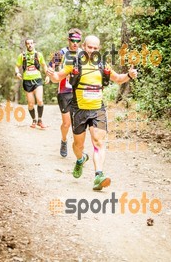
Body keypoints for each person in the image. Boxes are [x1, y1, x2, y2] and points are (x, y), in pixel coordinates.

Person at [47, 35, 137, 190]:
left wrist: (129, 75)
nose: (92, 50)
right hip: (79, 109)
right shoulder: (73, 62)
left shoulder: (103, 64)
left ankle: (98, 176)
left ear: (99, 49)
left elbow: (119, 79)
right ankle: (81, 159)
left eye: (96, 48)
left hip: (97, 109)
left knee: (98, 142)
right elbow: (58, 77)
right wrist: (52, 75)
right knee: (78, 145)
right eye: (90, 47)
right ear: (84, 46)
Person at [49, 28, 82, 157]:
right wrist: (50, 75)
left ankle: (79, 148)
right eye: (73, 40)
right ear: (69, 40)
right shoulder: (61, 53)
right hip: (64, 91)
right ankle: (64, 140)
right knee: (66, 123)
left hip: (78, 92)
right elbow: (51, 65)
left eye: (78, 41)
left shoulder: (83, 54)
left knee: (78, 123)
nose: (75, 43)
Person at [15, 38, 49, 129]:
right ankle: (34, 120)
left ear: (34, 44)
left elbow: (44, 65)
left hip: (38, 80)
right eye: (28, 43)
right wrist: (17, 73)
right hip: (27, 81)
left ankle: (40, 120)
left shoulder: (38, 55)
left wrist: (47, 75)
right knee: (30, 104)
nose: (30, 45)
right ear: (26, 45)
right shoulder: (22, 55)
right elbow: (17, 66)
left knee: (40, 100)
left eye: (31, 43)